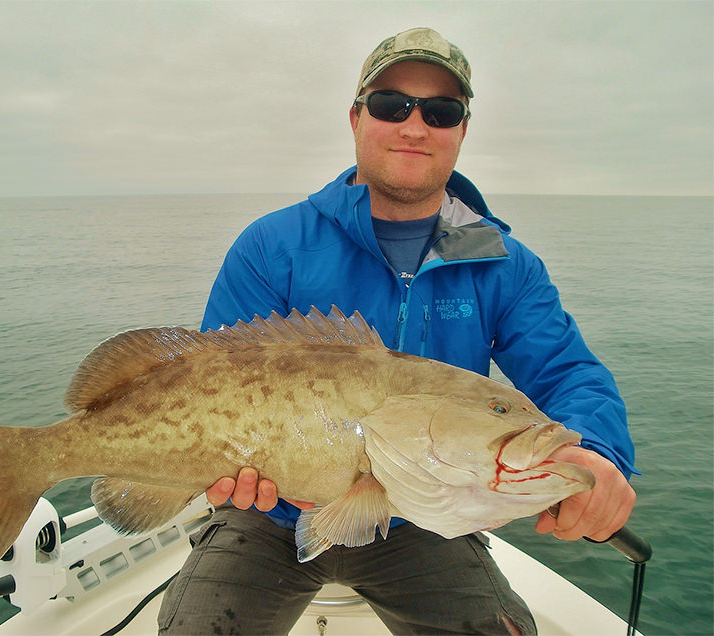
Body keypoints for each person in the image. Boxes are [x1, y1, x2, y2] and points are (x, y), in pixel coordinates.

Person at [157, 27, 637, 635]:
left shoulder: (505, 265)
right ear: (356, 118)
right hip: (265, 518)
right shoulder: (270, 247)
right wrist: (226, 473)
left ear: (462, 131)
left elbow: (567, 371)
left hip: (419, 518)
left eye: (441, 112)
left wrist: (591, 449)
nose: (415, 126)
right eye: (392, 105)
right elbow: (208, 381)